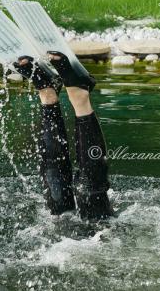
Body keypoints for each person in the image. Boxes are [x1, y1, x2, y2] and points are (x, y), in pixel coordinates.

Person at [13, 52, 112, 221]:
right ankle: (79, 95)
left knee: (57, 205)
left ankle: (48, 93)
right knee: (94, 216)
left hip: (63, 240)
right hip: (96, 240)